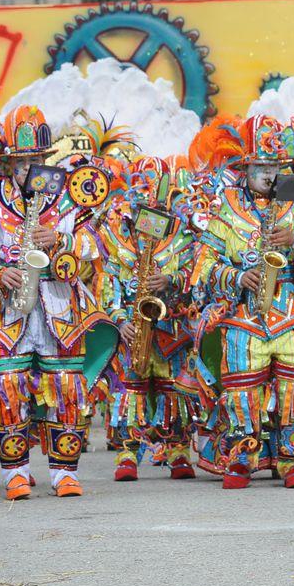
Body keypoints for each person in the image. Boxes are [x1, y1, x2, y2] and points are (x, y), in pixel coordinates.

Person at [0, 106, 115, 499]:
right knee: (6, 386)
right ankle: (16, 472)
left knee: (69, 387)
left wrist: (60, 241)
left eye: (35, 161)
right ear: (9, 163)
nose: (28, 169)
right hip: (8, 311)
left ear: (46, 159)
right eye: (20, 162)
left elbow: (98, 244)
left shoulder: (69, 195)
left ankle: (64, 473)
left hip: (60, 307)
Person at [191, 115, 294, 489]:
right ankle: (242, 457)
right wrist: (237, 276)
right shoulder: (226, 206)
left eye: (274, 166)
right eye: (260, 166)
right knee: (241, 385)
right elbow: (202, 265)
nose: (267, 174)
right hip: (243, 310)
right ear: (245, 168)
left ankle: (293, 458)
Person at [102, 156, 199, 481]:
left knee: (174, 392)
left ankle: (178, 452)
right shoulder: (119, 244)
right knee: (129, 392)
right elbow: (108, 287)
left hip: (172, 332)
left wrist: (171, 280)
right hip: (133, 334)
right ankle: (128, 453)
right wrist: (119, 320)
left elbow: (196, 279)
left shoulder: (184, 241)